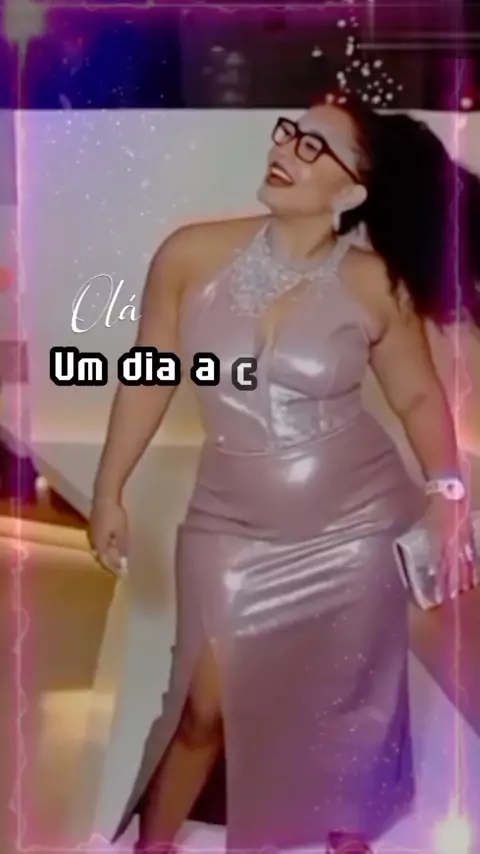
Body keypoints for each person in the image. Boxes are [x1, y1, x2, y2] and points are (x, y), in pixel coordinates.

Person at [89, 97, 479, 854]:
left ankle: (347, 837)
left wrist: (447, 491)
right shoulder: (190, 255)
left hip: (356, 527)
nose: (286, 150)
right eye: (290, 134)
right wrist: (110, 489)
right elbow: (147, 373)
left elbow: (417, 396)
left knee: (347, 703)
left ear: (352, 190)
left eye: (313, 147)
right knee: (203, 708)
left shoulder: (375, 284)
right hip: (228, 523)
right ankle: (151, 846)